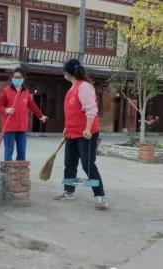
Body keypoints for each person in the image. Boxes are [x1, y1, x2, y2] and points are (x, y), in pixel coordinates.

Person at [54, 59, 108, 210]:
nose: (64, 74)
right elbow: (72, 113)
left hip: (86, 134)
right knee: (69, 163)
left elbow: (91, 110)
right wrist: (66, 127)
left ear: (69, 72)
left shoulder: (84, 87)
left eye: (64, 72)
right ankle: (68, 191)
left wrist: (88, 129)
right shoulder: (72, 89)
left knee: (88, 165)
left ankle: (100, 196)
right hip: (72, 133)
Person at [0, 68, 47, 161]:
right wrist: (6, 110)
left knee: (22, 151)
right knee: (9, 150)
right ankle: (8, 171)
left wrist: (41, 116)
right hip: (9, 127)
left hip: (22, 128)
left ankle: (20, 172)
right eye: (15, 77)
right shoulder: (6, 91)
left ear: (23, 79)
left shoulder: (25, 92)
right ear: (12, 78)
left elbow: (32, 105)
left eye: (19, 77)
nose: (17, 79)